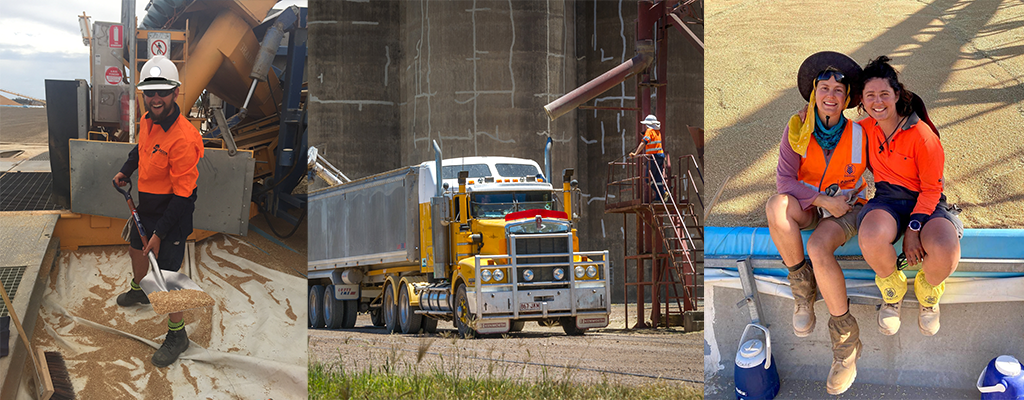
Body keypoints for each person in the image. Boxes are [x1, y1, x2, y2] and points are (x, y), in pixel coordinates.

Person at [765, 51, 867, 395]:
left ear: (848, 99)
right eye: (824, 88)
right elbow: (785, 181)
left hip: (849, 208)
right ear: (813, 93)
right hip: (815, 205)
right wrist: (824, 201)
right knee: (776, 206)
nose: (831, 96)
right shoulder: (796, 129)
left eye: (839, 91)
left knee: (818, 246)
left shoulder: (861, 132)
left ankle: (846, 346)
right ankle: (803, 290)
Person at [855, 56, 962, 338]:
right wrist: (808, 113)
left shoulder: (923, 135)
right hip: (888, 198)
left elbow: (931, 189)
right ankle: (893, 290)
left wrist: (914, 228)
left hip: (927, 200)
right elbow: (827, 126)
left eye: (884, 94)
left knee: (945, 247)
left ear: (897, 94)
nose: (878, 102)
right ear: (862, 101)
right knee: (869, 235)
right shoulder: (864, 129)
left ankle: (928, 293)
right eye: (870, 96)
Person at [112, 55, 205, 367]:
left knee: (167, 280)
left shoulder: (184, 138)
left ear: (175, 93)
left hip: (172, 217)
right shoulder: (147, 121)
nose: (154, 98)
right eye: (149, 92)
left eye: (162, 92)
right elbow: (139, 151)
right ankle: (139, 290)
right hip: (147, 209)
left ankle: (177, 335)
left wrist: (160, 234)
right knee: (135, 252)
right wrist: (126, 171)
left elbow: (184, 197)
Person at [629, 114, 667, 201]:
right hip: (660, 157)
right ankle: (659, 197)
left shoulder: (649, 131)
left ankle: (662, 193)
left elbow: (644, 143)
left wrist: (635, 153)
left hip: (653, 157)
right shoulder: (657, 132)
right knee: (657, 179)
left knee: (648, 179)